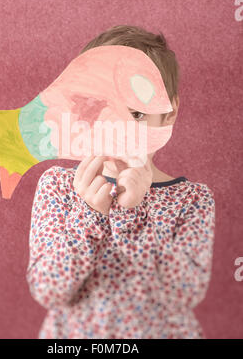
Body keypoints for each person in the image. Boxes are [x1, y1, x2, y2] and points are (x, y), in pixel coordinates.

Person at [26, 25, 216, 339]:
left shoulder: (192, 199)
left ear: (167, 113)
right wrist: (88, 216)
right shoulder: (59, 187)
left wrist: (133, 216)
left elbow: (183, 294)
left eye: (136, 115)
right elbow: (50, 291)